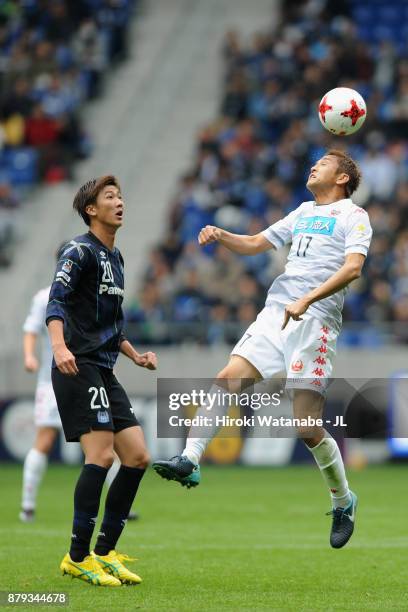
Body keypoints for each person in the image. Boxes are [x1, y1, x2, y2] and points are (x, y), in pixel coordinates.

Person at [153, 149, 372, 549]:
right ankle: (191, 458)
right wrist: (221, 235)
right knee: (227, 379)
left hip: (316, 321)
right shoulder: (303, 211)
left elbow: (354, 267)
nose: (314, 165)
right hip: (277, 312)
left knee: (307, 426)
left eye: (323, 163)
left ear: (342, 178)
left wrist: (308, 299)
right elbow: (256, 242)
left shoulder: (355, 216)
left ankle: (343, 500)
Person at [46, 175, 157, 586]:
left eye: (120, 196)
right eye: (110, 197)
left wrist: (136, 355)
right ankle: (77, 557)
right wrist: (59, 347)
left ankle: (105, 552)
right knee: (102, 456)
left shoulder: (117, 258)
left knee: (138, 457)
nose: (119, 201)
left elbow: (111, 324)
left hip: (104, 366)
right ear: (91, 209)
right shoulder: (78, 251)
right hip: (76, 365)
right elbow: (56, 302)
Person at [20, 247, 140, 523]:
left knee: (105, 441)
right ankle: (27, 505)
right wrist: (29, 356)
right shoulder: (45, 297)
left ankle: (120, 505)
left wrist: (134, 355)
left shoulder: (92, 294)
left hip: (89, 374)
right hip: (54, 379)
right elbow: (31, 328)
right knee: (46, 440)